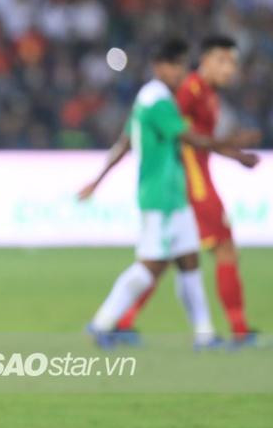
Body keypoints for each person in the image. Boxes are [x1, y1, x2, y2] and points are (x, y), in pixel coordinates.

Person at [79, 38, 258, 348]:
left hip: (175, 194)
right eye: (175, 66)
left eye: (181, 66)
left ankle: (204, 336)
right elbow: (191, 138)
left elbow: (125, 142)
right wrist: (234, 147)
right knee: (152, 264)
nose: (180, 73)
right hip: (162, 195)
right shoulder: (160, 100)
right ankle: (103, 323)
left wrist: (98, 180)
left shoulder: (153, 96)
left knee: (188, 261)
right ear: (159, 67)